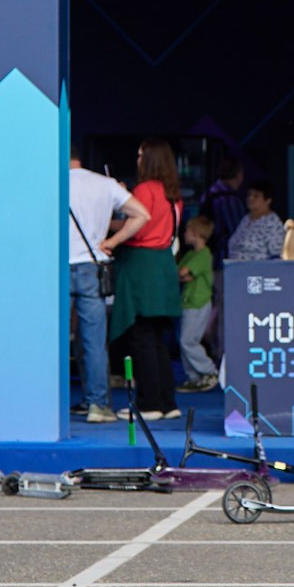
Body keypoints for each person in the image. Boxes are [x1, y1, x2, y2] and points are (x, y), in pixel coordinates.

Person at [68, 148, 147, 423]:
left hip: (56, 270)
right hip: (93, 267)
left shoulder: (51, 182)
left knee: (52, 341)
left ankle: (48, 405)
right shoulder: (104, 184)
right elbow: (141, 214)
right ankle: (97, 405)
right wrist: (112, 242)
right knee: (93, 341)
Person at [111, 137, 186, 420]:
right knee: (158, 339)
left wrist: (111, 227)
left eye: (141, 155)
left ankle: (149, 403)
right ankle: (168, 402)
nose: (137, 160)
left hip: (142, 266)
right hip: (164, 266)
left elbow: (138, 227)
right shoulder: (173, 194)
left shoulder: (144, 190)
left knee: (141, 336)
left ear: (151, 159)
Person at [175, 212, 218, 391]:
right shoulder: (191, 254)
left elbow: (183, 272)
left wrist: (184, 275)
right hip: (188, 303)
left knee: (188, 340)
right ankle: (194, 376)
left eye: (187, 231)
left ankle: (209, 371)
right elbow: (179, 274)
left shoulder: (203, 255)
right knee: (184, 340)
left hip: (198, 304)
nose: (184, 234)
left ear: (196, 233)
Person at [228, 182, 287, 262]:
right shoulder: (246, 219)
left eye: (256, 196)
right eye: (249, 195)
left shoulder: (272, 222)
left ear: (268, 200)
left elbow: (276, 255)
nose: (250, 198)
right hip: (234, 269)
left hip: (256, 272)